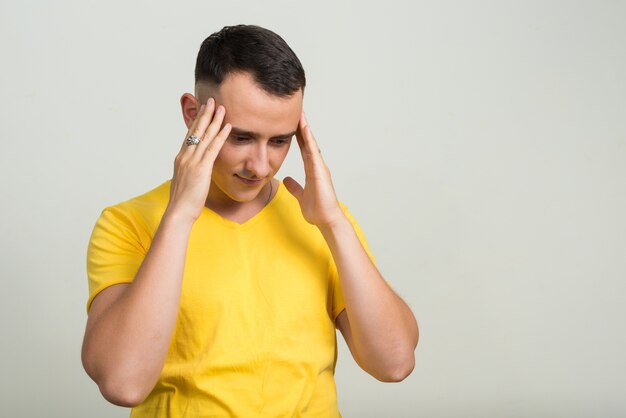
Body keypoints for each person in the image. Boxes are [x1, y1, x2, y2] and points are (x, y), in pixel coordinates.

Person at [82, 24, 418, 417]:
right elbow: (123, 383)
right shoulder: (127, 223)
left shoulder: (321, 220)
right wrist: (180, 216)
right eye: (240, 138)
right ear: (194, 115)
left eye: (280, 141)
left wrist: (334, 224)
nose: (261, 167)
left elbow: (394, 363)